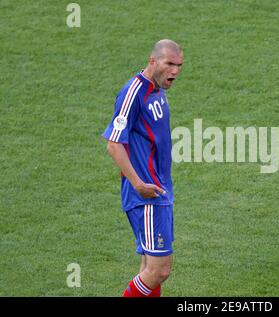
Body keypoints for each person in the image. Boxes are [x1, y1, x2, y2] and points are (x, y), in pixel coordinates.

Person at [102, 39, 184, 297]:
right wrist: (138, 184)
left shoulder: (157, 90)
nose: (175, 71)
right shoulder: (133, 92)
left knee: (149, 267)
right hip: (145, 194)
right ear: (152, 61)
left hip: (159, 190)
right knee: (159, 270)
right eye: (169, 64)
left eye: (179, 65)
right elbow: (114, 145)